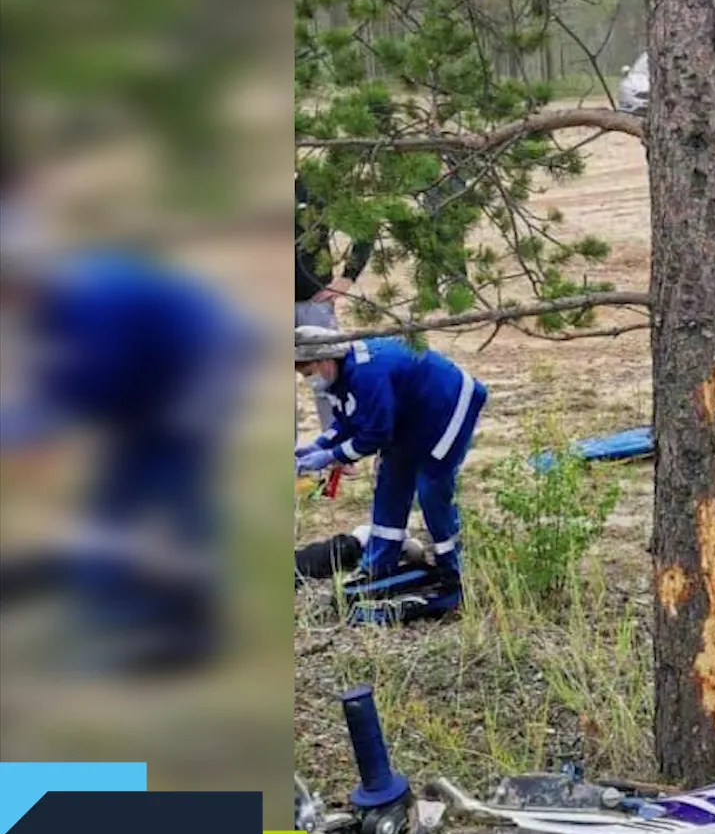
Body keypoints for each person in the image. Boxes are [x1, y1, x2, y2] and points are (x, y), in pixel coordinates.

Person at [0, 182, 250, 672]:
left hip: (198, 379)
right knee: (113, 503)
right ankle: (114, 604)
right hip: (148, 387)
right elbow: (54, 389)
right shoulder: (46, 310)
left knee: (175, 491)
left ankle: (196, 624)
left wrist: (30, 432)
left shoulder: (87, 301)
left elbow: (86, 388)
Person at [294, 327, 486, 626]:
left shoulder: (367, 373)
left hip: (448, 406)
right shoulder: (337, 375)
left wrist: (332, 456)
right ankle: (379, 563)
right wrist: (319, 445)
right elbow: (348, 419)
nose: (308, 379)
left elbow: (375, 433)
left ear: (324, 358)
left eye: (308, 372)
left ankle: (453, 571)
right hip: (408, 413)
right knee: (390, 481)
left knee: (431, 488)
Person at [296, 171, 377, 437]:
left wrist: (347, 278)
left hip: (314, 301)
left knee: (328, 377)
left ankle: (337, 447)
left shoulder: (317, 188)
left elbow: (364, 227)